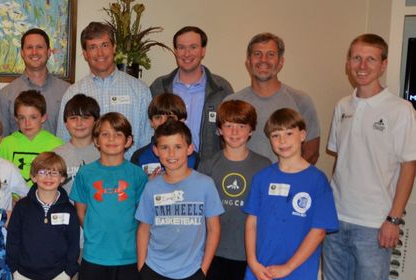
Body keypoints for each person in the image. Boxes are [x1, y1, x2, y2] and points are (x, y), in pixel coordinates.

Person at [323, 34, 416, 280]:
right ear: (348, 63)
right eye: (356, 58)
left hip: (375, 226)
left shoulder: (401, 110)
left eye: (371, 59)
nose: (362, 65)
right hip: (336, 221)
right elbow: (341, 160)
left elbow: (408, 167)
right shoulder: (343, 106)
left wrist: (394, 219)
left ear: (383, 64)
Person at [243, 109, 338, 280]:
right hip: (262, 270)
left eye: (289, 133)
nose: (282, 141)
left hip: (296, 274)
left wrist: (287, 267)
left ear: (303, 135)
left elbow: (318, 232)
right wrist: (253, 262)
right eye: (276, 135)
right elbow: (251, 223)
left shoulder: (317, 180)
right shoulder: (262, 178)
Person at [135, 120, 224, 280]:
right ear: (156, 151)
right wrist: (142, 266)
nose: (171, 153)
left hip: (192, 270)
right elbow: (143, 228)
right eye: (164, 147)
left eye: (177, 146)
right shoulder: (152, 187)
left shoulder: (205, 184)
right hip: (154, 268)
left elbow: (214, 229)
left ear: (189, 148)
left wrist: (203, 268)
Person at [70, 112, 148, 280]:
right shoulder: (86, 173)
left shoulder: (136, 175)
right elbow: (81, 211)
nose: (111, 139)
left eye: (118, 134)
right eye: (105, 134)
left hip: (128, 256)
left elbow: (143, 217)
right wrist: (95, 234)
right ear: (96, 140)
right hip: (95, 256)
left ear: (129, 141)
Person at [198, 100, 270, 280]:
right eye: (228, 126)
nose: (235, 132)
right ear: (219, 130)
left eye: (241, 126)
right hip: (214, 249)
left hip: (247, 251)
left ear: (251, 129)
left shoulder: (263, 166)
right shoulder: (208, 165)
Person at [7, 152, 80, 280]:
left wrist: (68, 271)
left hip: (58, 276)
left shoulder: (68, 209)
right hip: (25, 275)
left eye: (54, 173)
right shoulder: (22, 207)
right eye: (43, 172)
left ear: (63, 178)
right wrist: (14, 268)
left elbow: (74, 242)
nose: (48, 177)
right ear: (33, 176)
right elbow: (13, 239)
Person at [56, 22, 152, 157]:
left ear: (114, 48)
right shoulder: (73, 93)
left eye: (105, 45)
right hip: (88, 174)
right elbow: (64, 142)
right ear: (85, 54)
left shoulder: (139, 90)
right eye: (93, 47)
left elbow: (147, 140)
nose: (100, 53)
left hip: (130, 173)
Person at [225, 32, 320, 164]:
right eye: (257, 54)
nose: (263, 60)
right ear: (248, 62)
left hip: (286, 183)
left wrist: (286, 178)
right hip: (245, 183)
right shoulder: (231, 103)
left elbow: (312, 152)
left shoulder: (301, 101)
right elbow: (225, 151)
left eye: (271, 55)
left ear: (281, 62)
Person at [149, 26, 234, 162]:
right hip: (168, 168)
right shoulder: (159, 87)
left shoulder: (221, 89)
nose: (187, 54)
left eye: (193, 47)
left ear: (203, 51)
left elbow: (231, 133)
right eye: (181, 47)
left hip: (209, 170)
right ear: (175, 51)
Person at [0, 28, 71, 136]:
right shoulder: (6, 94)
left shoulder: (67, 91)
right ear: (22, 53)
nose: (34, 52)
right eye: (29, 47)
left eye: (39, 47)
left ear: (49, 52)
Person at [0, 90, 64, 185]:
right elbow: (1, 178)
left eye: (33, 117)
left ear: (43, 117)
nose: (27, 123)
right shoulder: (6, 144)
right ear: (16, 118)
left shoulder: (57, 145)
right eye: (22, 118)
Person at [131, 94, 200, 175]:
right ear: (151, 122)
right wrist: (148, 184)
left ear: (181, 121)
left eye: (170, 117)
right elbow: (135, 186)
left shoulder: (193, 157)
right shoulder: (139, 156)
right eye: (157, 117)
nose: (163, 122)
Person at [53, 94, 101, 194]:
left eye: (85, 117)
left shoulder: (105, 153)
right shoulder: (55, 155)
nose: (79, 123)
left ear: (96, 122)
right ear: (66, 123)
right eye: (73, 118)